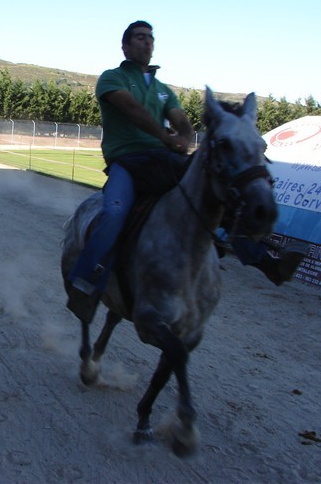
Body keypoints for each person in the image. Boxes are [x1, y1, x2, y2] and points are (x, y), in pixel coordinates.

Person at [66, 21, 305, 322]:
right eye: (140, 38)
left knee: (219, 197)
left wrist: (183, 136)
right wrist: (166, 136)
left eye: (151, 38)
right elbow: (132, 110)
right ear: (125, 46)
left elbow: (181, 120)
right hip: (127, 161)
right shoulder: (112, 79)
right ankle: (86, 282)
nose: (147, 43)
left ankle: (265, 260)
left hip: (164, 159)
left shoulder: (164, 90)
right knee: (113, 212)